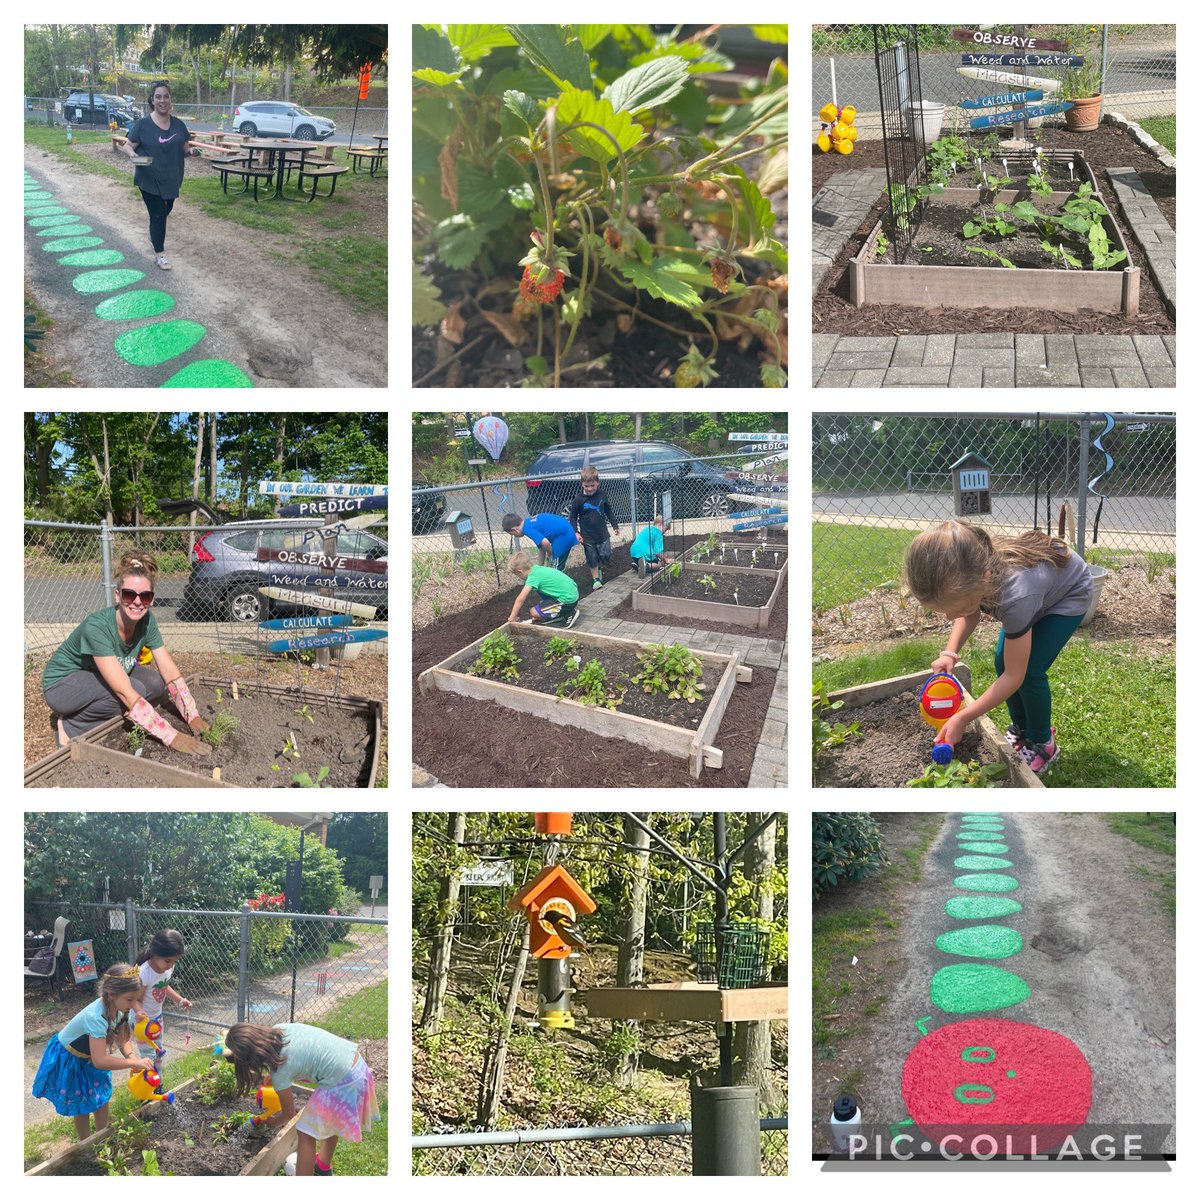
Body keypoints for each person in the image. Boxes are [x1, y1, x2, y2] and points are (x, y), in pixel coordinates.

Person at [904, 520, 1094, 776]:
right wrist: (949, 652)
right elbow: (969, 613)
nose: (950, 617)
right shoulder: (976, 571)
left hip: (1069, 594)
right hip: (1036, 593)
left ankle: (1042, 742)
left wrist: (962, 717)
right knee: (1001, 662)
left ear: (984, 581)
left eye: (955, 609)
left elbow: (1015, 677)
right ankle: (1021, 728)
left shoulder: (1015, 597)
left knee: (1030, 671)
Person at [42, 550, 212, 754]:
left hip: (95, 674)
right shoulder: (97, 627)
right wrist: (171, 736)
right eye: (130, 594)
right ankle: (71, 726)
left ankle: (109, 713)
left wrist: (192, 715)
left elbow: (168, 670)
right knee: (133, 691)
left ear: (152, 599)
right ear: (118, 595)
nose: (137, 602)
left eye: (145, 596)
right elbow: (124, 691)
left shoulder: (147, 621)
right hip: (63, 686)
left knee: (155, 684)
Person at [218, 1023, 381, 1177]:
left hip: (343, 1080)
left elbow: (289, 1113)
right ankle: (323, 1166)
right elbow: (301, 1056)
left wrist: (272, 1122)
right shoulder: (279, 1030)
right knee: (329, 1121)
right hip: (355, 1064)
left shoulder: (280, 1072)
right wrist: (273, 1077)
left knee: (305, 1131)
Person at [31, 962, 155, 1140]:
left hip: (90, 1056)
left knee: (101, 1096)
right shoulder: (96, 1017)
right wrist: (134, 1063)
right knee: (81, 1102)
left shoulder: (119, 1008)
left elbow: (122, 1038)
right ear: (112, 994)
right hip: (71, 1057)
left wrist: (131, 1056)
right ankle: (86, 1143)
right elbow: (100, 1061)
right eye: (130, 999)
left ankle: (102, 1136)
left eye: (135, 999)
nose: (133, 1004)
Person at [121, 81, 200, 271]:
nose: (162, 100)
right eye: (158, 96)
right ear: (152, 100)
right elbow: (127, 145)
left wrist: (191, 152)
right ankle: (160, 254)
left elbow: (183, 149)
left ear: (170, 100)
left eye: (166, 96)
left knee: (165, 211)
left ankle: (153, 234)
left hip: (172, 178)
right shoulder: (143, 125)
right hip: (148, 177)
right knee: (158, 216)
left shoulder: (179, 125)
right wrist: (134, 157)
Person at [134, 929, 193, 1081]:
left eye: (174, 961)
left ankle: (157, 1083)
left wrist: (180, 1000)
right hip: (143, 1023)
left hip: (157, 1019)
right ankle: (146, 1093)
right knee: (148, 1058)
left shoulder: (166, 967)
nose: (171, 965)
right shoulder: (144, 973)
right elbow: (135, 999)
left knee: (158, 1053)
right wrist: (140, 1014)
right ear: (155, 953)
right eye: (168, 961)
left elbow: (164, 986)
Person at [569, 466, 620, 590]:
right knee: (591, 557)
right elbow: (573, 517)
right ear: (582, 484)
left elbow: (608, 510)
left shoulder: (602, 495)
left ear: (598, 483)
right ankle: (596, 579)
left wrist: (615, 525)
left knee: (605, 555)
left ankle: (601, 566)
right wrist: (576, 532)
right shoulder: (578, 500)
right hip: (587, 536)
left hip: (602, 533)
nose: (590, 489)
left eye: (592, 485)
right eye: (586, 486)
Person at [506, 552, 579, 627]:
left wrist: (512, 617)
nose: (518, 577)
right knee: (540, 606)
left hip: (568, 599)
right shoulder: (537, 569)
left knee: (534, 612)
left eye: (517, 575)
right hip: (571, 592)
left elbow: (521, 598)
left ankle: (569, 614)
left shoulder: (533, 577)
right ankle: (557, 613)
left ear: (519, 572)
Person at [503, 511, 581, 570]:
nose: (514, 536)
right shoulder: (528, 523)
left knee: (555, 569)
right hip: (564, 531)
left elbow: (545, 543)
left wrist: (551, 555)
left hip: (563, 536)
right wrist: (539, 568)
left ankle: (559, 588)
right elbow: (542, 548)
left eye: (512, 534)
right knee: (552, 566)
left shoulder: (526, 528)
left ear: (514, 530)